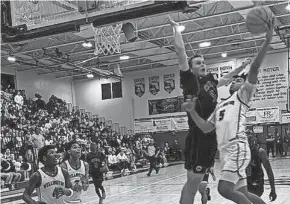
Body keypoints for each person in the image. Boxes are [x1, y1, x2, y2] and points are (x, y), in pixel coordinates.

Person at [181, 17, 274, 204]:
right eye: (236, 79)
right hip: (225, 150)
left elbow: (255, 67)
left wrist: (267, 39)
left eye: (240, 79)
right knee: (243, 193)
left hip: (237, 149)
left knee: (224, 189)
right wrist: (191, 111)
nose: (236, 80)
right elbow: (206, 127)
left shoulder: (243, 96)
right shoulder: (221, 104)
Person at [168, 16, 250, 204]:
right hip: (200, 137)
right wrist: (176, 29)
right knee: (192, 184)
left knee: (193, 183)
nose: (202, 64)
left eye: (203, 62)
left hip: (206, 136)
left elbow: (227, 78)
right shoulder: (190, 80)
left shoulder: (210, 80)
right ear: (191, 67)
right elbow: (180, 51)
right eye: (198, 63)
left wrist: (242, 66)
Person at [246, 134, 277, 201]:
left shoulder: (260, 152)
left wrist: (273, 189)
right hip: (245, 184)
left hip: (256, 184)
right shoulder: (241, 153)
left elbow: (269, 172)